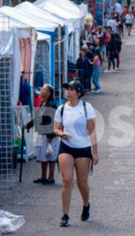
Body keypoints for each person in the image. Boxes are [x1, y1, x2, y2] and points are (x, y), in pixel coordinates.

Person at [54, 81, 98, 227]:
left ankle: (86, 204)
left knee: (82, 183)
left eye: (71, 89)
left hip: (83, 148)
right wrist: (61, 134)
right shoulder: (61, 109)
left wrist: (95, 152)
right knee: (67, 180)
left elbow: (92, 131)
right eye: (67, 89)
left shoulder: (86, 108)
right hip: (66, 147)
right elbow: (56, 129)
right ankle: (65, 215)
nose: (68, 92)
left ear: (78, 93)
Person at [25, 84, 59, 184]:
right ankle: (43, 176)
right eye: (42, 89)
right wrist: (28, 125)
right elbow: (38, 118)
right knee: (42, 156)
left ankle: (51, 177)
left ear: (49, 93)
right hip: (42, 133)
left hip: (49, 135)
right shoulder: (43, 103)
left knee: (51, 157)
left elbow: (53, 122)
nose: (42, 91)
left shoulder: (52, 105)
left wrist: (50, 136)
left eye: (44, 90)